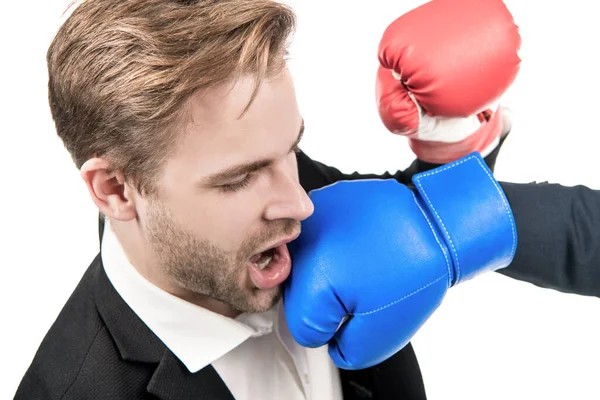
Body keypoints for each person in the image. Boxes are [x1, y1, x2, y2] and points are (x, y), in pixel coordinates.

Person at [13, 1, 599, 400]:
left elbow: (410, 222)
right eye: (239, 178)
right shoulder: (73, 387)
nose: (301, 202)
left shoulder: (293, 188)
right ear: (116, 190)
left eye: (290, 149)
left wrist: (451, 135)